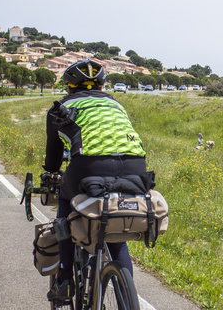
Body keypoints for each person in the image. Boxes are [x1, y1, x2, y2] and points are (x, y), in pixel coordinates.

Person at [43, 59, 147, 302]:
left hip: (88, 166)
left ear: (69, 88)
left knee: (65, 200)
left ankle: (65, 278)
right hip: (136, 166)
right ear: (102, 87)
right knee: (116, 230)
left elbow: (53, 160)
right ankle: (126, 299)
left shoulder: (60, 108)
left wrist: (52, 171)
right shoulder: (116, 105)